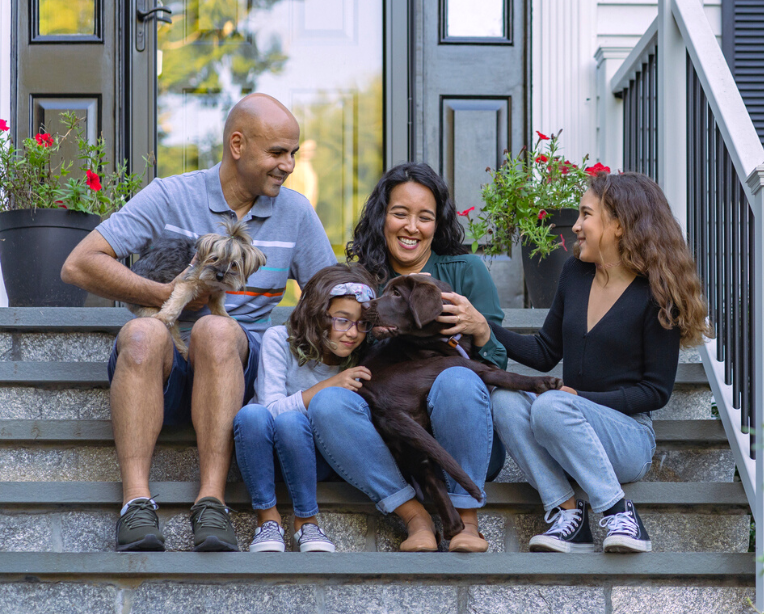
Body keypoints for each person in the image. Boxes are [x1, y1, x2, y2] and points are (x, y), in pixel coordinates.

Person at [60, 94, 337, 552]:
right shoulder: (172, 195)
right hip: (161, 370)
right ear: (236, 144)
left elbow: (328, 297)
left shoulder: (296, 212)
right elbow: (79, 264)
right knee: (142, 332)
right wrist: (169, 295)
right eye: (277, 153)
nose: (288, 165)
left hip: (232, 365)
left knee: (216, 330)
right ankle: (136, 503)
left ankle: (211, 502)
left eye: (293, 153)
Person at [490, 171, 709, 553]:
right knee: (504, 399)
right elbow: (545, 352)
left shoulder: (656, 294)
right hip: (565, 418)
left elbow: (655, 393)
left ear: (619, 225)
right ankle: (567, 515)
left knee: (553, 405)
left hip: (628, 437)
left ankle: (618, 511)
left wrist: (579, 400)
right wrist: (485, 331)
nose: (575, 226)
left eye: (585, 215)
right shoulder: (575, 273)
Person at [308, 162, 505, 552]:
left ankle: (466, 521)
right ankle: (415, 519)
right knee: (328, 402)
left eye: (424, 217)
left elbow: (497, 369)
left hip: (462, 436)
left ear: (438, 223)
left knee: (458, 378)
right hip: (389, 442)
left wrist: (481, 329)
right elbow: (334, 360)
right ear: (383, 217)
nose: (411, 227)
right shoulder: (358, 280)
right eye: (400, 213)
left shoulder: (465, 272)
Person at [233, 264, 377, 553]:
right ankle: (267, 519)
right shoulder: (279, 339)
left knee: (291, 423)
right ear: (317, 313)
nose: (353, 333)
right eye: (342, 320)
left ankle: (306, 522)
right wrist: (328, 385)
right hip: (263, 454)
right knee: (252, 414)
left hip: (320, 459)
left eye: (362, 323)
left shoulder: (364, 358)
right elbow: (269, 408)